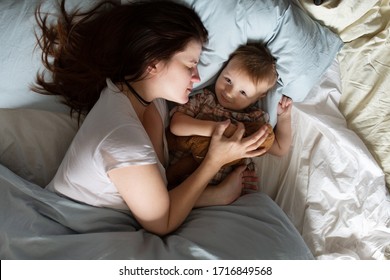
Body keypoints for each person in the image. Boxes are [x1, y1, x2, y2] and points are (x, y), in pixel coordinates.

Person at [32, 0, 269, 236]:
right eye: (191, 65)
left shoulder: (148, 98)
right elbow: (161, 222)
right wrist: (214, 163)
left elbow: (156, 193)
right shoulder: (123, 138)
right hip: (68, 229)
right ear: (153, 62)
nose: (197, 78)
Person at [167, 43, 293, 187]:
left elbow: (280, 148)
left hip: (227, 188)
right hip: (182, 182)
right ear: (222, 69)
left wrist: (284, 117)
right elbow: (176, 125)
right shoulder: (204, 99)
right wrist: (217, 129)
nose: (229, 92)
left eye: (243, 92)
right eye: (228, 80)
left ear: (258, 98)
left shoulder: (254, 120)